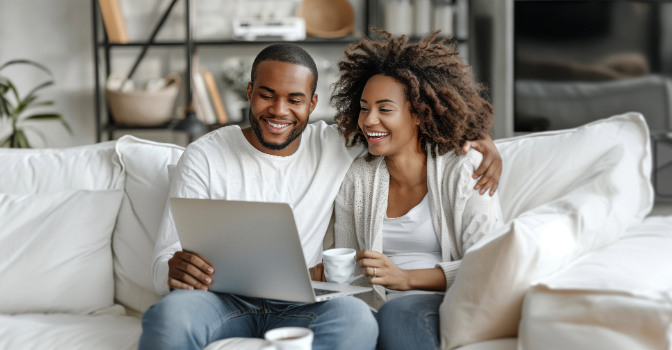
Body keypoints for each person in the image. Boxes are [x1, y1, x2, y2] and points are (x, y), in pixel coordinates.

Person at [138, 42, 502, 350]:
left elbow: (413, 126)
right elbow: (163, 259)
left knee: (355, 319)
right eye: (267, 95)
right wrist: (173, 269)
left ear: (312, 105)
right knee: (170, 316)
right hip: (221, 300)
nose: (279, 111)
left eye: (294, 99)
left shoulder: (334, 144)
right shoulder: (203, 156)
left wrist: (480, 141)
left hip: (304, 303)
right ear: (250, 92)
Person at [324, 30, 505, 350]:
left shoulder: (464, 170)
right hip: (374, 309)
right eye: (364, 108)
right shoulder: (356, 177)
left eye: (384, 108)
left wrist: (407, 279)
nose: (369, 120)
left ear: (419, 114)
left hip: (440, 303)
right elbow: (350, 271)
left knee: (398, 314)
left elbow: (489, 264)